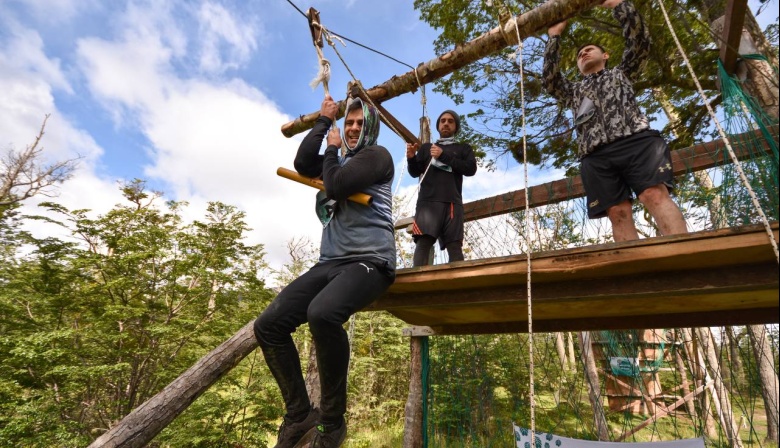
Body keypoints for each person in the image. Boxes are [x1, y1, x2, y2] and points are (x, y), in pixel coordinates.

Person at [254, 95, 396, 448]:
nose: (352, 128)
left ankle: (332, 424)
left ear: (371, 130)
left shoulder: (377, 157)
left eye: (360, 124)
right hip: (331, 262)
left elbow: (335, 185)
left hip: (371, 261)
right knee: (268, 325)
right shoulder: (339, 160)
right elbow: (303, 163)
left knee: (323, 313)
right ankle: (299, 413)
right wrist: (322, 122)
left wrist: (331, 149)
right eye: (348, 122)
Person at [543, 0, 688, 241]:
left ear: (605, 55)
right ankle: (635, 273)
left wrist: (619, 5)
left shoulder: (621, 73)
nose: (584, 53)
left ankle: (686, 253)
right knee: (617, 211)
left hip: (637, 142)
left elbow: (639, 42)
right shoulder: (574, 91)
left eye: (589, 49)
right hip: (596, 156)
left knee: (653, 194)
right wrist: (554, 36)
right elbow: (550, 81)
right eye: (579, 55)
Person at [406, 110, 477, 266]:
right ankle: (418, 284)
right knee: (423, 243)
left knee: (454, 246)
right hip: (427, 204)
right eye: (443, 121)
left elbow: (470, 169)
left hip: (452, 203)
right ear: (438, 126)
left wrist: (443, 155)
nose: (446, 123)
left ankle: (458, 286)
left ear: (456, 127)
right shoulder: (426, 148)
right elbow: (414, 172)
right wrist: (411, 158)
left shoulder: (463, 149)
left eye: (450, 121)